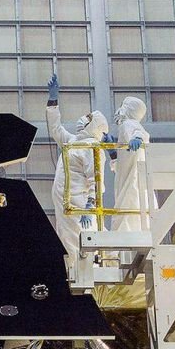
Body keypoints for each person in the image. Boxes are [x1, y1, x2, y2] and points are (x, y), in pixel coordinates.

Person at [46, 75, 109, 265]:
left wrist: (90, 206)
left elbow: (96, 179)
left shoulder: (91, 147)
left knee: (80, 241)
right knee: (67, 241)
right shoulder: (73, 141)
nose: (82, 119)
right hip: (65, 204)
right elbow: (55, 129)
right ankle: (74, 273)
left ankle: (89, 273)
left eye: (88, 118)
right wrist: (53, 101)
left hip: (80, 205)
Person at [110, 96, 150, 232]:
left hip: (132, 185)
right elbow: (122, 165)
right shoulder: (125, 129)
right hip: (129, 183)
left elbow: (139, 132)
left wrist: (137, 137)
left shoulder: (128, 124)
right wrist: (113, 154)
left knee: (126, 220)